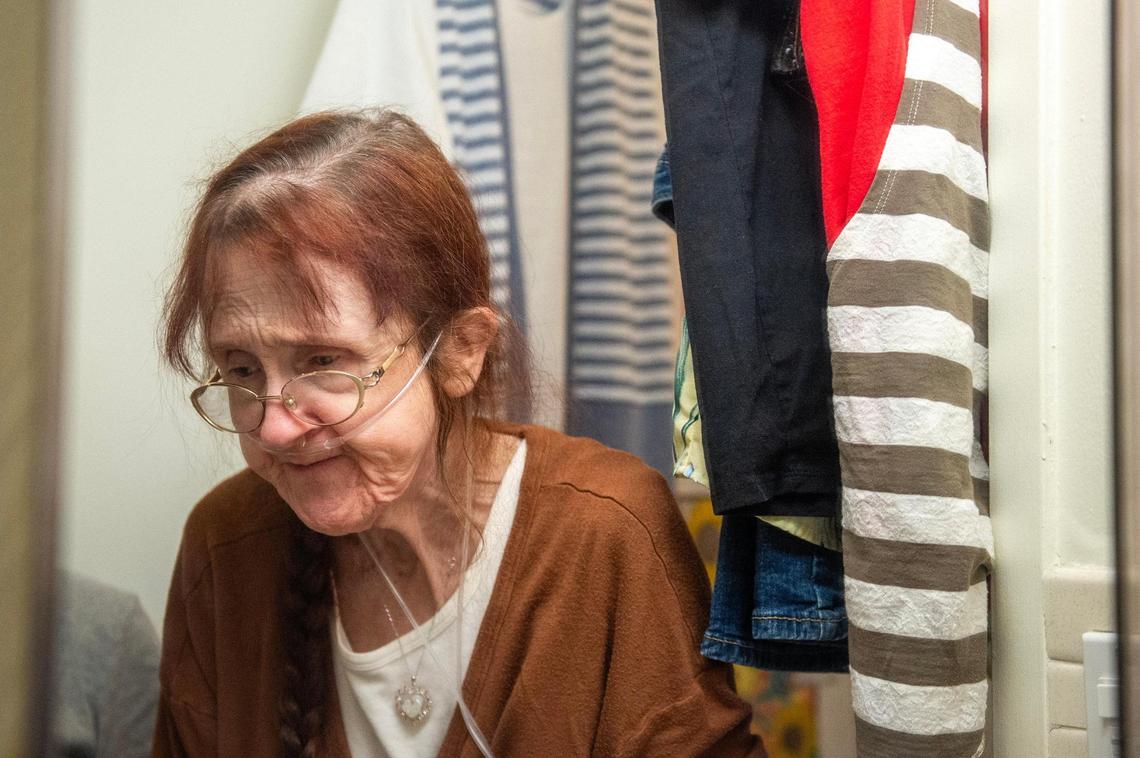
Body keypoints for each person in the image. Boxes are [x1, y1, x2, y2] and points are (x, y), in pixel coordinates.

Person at [152, 109, 764, 757]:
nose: (273, 425)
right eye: (241, 370)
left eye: (325, 362)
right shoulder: (227, 548)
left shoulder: (606, 532)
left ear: (460, 351)